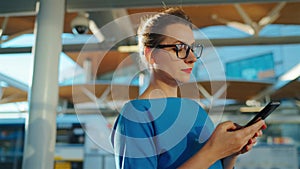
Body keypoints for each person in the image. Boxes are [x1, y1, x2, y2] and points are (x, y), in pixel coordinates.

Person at [110, 7, 266, 169]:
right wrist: (213, 151)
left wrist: (230, 153)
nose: (192, 58)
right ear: (151, 55)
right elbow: (207, 156)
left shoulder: (196, 110)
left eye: (191, 48)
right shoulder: (136, 114)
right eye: (179, 48)